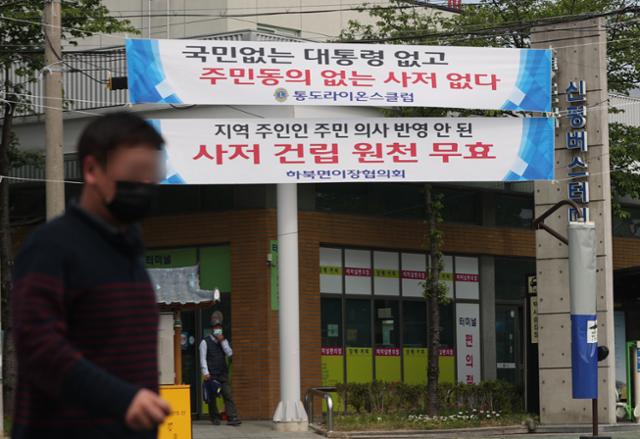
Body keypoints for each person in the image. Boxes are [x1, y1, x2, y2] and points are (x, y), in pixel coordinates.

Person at [11, 112, 171, 439]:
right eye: (134, 173)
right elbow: (38, 346)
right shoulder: (51, 247)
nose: (145, 185)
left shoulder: (128, 252)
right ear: (91, 170)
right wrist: (122, 399)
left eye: (152, 174)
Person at [199, 319, 241, 426]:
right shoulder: (205, 342)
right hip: (211, 374)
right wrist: (205, 372)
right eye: (216, 328)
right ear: (212, 329)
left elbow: (230, 353)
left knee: (227, 394)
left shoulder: (224, 341)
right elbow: (202, 358)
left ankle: (232, 417)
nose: (218, 329)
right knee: (212, 397)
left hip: (222, 373)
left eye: (219, 328)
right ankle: (214, 417)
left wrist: (222, 341)